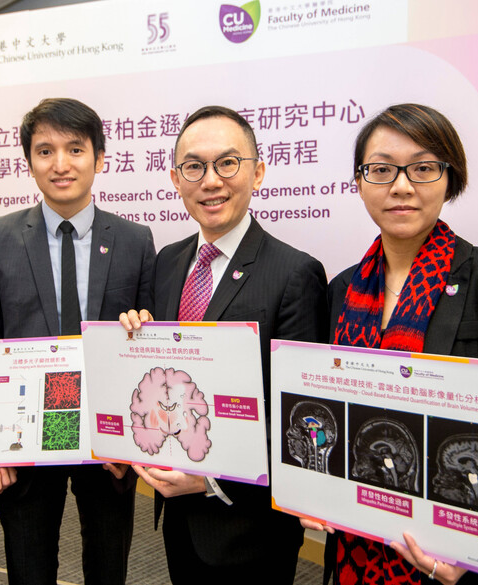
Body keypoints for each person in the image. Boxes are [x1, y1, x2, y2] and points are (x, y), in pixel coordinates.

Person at [308, 103, 478, 585]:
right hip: (357, 542)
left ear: (450, 177)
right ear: (359, 182)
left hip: (464, 549)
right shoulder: (341, 289)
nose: (401, 186)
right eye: (381, 170)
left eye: (423, 168)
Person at [121, 105, 330, 584]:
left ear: (257, 172)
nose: (210, 181)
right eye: (194, 167)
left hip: (249, 525)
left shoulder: (295, 274)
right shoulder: (167, 263)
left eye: (227, 164)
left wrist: (212, 479)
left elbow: (299, 415)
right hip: (177, 515)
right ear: (176, 179)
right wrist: (136, 338)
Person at [0, 97, 156, 585]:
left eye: (76, 149)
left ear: (100, 159)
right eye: (45, 150)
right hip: (25, 436)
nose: (61, 164)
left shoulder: (135, 239)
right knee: (29, 568)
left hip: (107, 440)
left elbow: (148, 349)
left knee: (108, 566)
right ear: (29, 161)